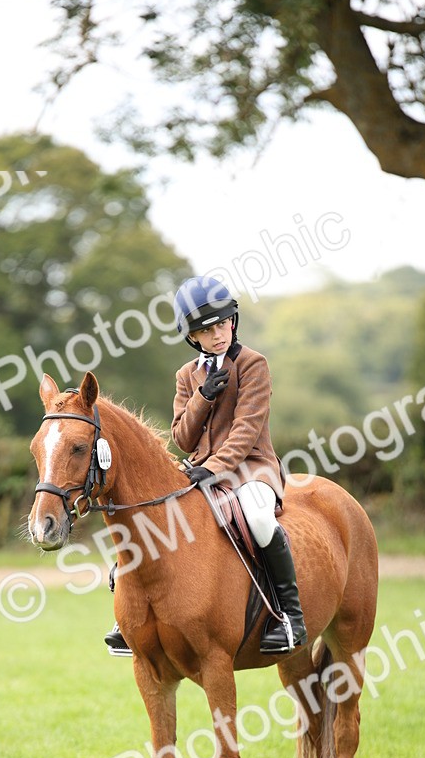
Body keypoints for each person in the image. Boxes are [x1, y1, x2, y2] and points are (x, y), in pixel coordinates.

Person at [105, 275, 307, 657]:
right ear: (192, 337)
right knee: (149, 518)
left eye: (222, 324)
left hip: (251, 469)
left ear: (233, 320)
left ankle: (288, 616)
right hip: (197, 470)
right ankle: (127, 619)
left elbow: (247, 431)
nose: (217, 334)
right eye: (205, 330)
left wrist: (213, 468)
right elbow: (181, 437)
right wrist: (202, 397)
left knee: (260, 520)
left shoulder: (253, 364)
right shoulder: (186, 375)